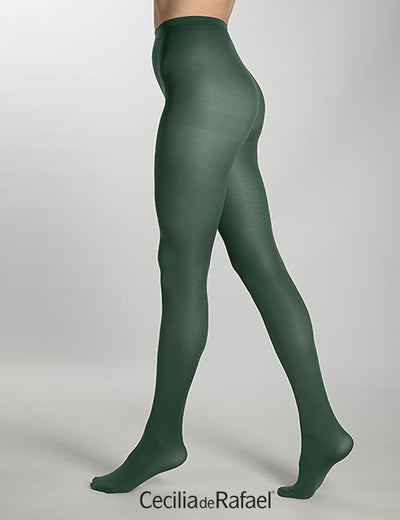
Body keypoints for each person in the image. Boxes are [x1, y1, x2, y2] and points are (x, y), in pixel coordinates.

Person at [90, 0, 354, 499]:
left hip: (204, 90)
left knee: (182, 270)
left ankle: (162, 439)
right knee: (261, 264)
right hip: (228, 83)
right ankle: (322, 429)